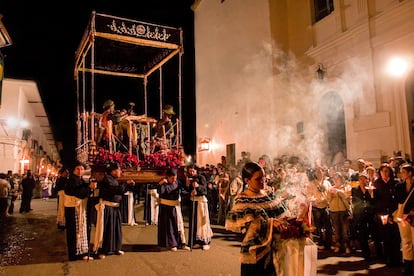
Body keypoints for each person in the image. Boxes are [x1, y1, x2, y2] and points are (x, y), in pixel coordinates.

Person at [225, 162, 291, 276]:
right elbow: (248, 227)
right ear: (247, 181)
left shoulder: (269, 194)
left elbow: (283, 215)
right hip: (255, 254)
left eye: (264, 177)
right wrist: (270, 223)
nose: (263, 181)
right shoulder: (243, 200)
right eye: (258, 179)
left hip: (275, 252)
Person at [93, 161, 135, 259]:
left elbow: (122, 190)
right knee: (106, 229)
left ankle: (115, 248)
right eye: (118, 170)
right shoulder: (108, 179)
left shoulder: (114, 179)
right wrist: (126, 183)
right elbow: (117, 190)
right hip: (107, 207)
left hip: (115, 207)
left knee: (116, 229)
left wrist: (129, 185)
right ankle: (102, 250)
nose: (120, 171)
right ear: (112, 171)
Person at [64, 161, 96, 261]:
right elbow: (79, 193)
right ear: (73, 170)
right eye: (77, 169)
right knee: (75, 232)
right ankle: (75, 254)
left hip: (78, 208)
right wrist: (89, 189)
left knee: (80, 230)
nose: (80, 171)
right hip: (74, 209)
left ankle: (81, 251)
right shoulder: (72, 180)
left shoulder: (78, 179)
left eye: (81, 169)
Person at [373, 163, 401, 267]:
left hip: (394, 213)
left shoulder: (395, 183)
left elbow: (398, 199)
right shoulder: (377, 184)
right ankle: (388, 259)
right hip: (383, 214)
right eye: (382, 171)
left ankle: (397, 259)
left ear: (390, 172)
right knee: (386, 237)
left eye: (386, 171)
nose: (384, 173)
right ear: (379, 173)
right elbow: (375, 201)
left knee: (396, 237)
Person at [184, 164, 213, 250]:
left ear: (196, 170)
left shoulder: (201, 177)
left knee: (202, 222)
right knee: (194, 222)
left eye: (193, 171)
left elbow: (205, 190)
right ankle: (194, 241)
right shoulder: (189, 178)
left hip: (201, 202)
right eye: (190, 171)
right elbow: (187, 190)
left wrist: (198, 187)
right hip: (193, 202)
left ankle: (205, 242)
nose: (192, 172)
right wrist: (189, 189)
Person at [351, 172, 375, 261]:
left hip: (370, 214)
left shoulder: (370, 189)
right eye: (361, 179)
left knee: (373, 232)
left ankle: (378, 252)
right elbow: (354, 201)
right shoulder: (355, 189)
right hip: (360, 215)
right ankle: (366, 254)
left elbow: (373, 201)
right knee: (363, 234)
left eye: (364, 179)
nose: (362, 181)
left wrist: (371, 193)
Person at [395, 163, 414, 275]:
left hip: (413, 216)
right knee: (406, 241)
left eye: (403, 172)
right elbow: (398, 200)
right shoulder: (399, 186)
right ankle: (408, 266)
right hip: (403, 217)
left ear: (410, 173)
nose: (401, 174)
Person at [157, 168, 182, 251]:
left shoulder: (177, 182)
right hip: (165, 207)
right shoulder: (164, 183)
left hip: (174, 207)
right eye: (172, 178)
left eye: (175, 178)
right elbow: (161, 192)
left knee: (174, 225)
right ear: (168, 177)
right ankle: (166, 243)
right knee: (167, 226)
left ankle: (175, 243)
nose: (174, 180)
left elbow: (181, 190)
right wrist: (160, 185)